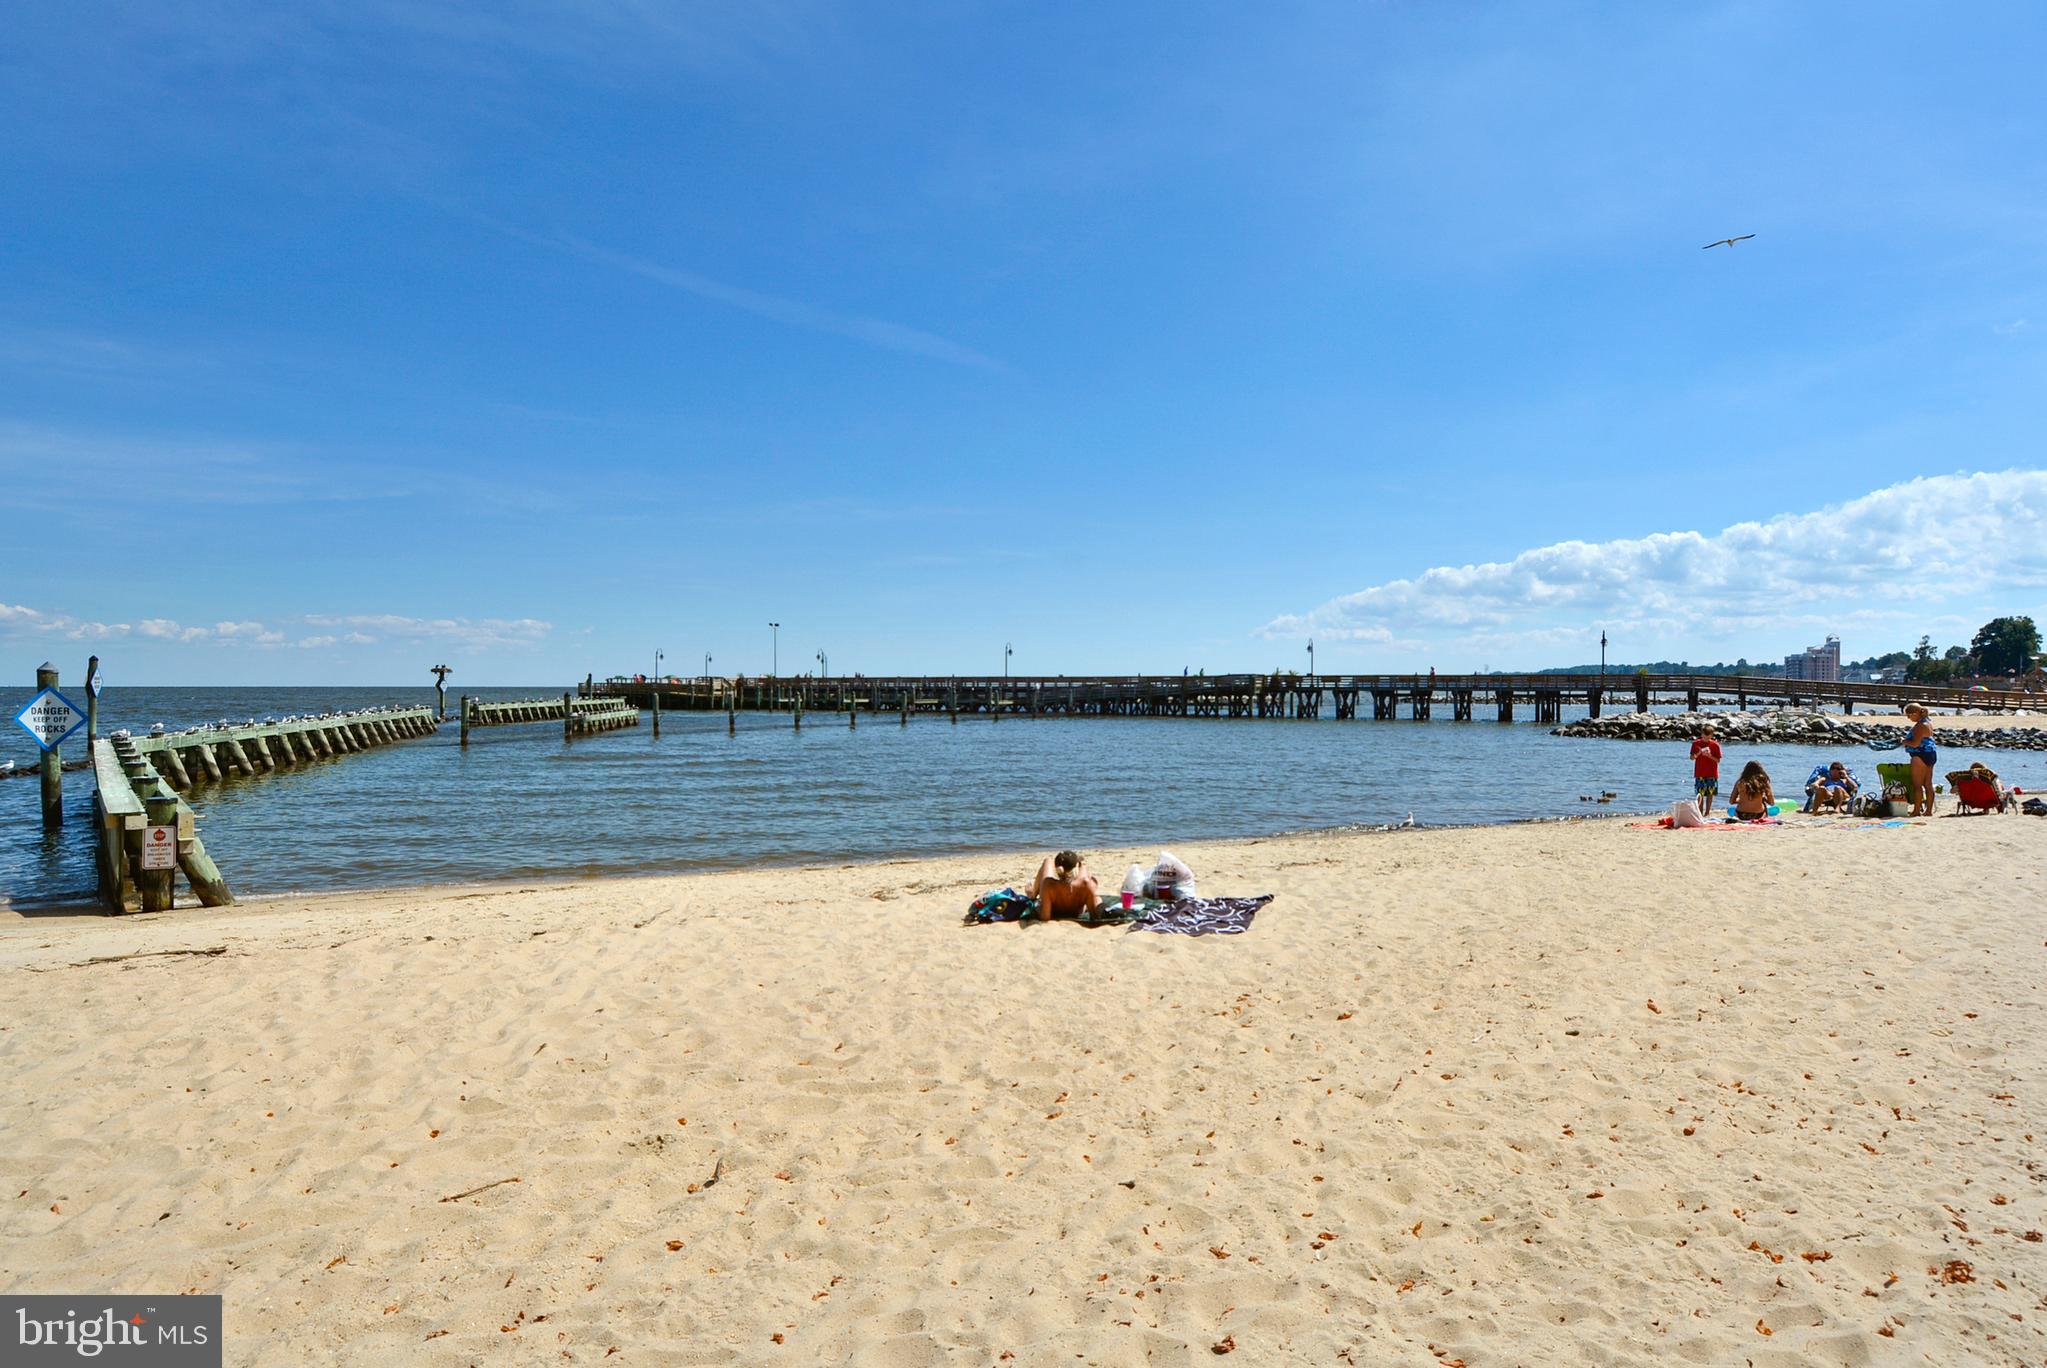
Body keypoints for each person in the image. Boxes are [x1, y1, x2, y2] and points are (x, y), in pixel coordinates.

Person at [1026, 850, 1100, 922]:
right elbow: (1094, 916)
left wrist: (1038, 904)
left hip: (1054, 910)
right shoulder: (1086, 883)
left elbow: (1045, 917)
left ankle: (1032, 895)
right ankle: (1032, 894)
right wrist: (1095, 897)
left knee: (1048, 861)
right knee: (1084, 868)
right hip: (1076, 911)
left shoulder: (1048, 884)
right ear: (1075, 868)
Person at [1902, 703, 1938, 816]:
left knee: (1917, 785)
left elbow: (1915, 744)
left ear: (1915, 714)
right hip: (1931, 754)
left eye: (1909, 715)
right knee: (1928, 784)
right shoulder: (1928, 722)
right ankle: (1928, 811)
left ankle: (1916, 811)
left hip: (1919, 755)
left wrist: (1904, 741)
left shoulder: (1919, 726)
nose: (1908, 718)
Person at [1690, 724, 1723, 811]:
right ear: (1701, 734)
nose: (1706, 738)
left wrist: (1709, 756)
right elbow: (1692, 758)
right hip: (1700, 772)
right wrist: (1698, 753)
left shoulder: (1715, 745)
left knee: (1710, 793)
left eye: (1708, 736)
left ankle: (1707, 811)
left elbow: (1718, 760)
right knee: (1700, 793)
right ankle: (1700, 811)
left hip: (1712, 773)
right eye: (1704, 735)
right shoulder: (1696, 744)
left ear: (1711, 735)